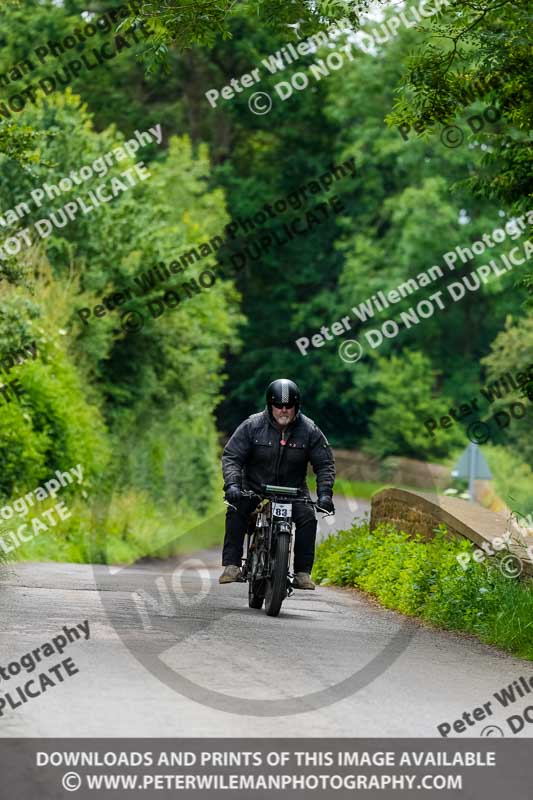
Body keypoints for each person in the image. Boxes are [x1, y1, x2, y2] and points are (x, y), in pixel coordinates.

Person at [219, 378, 335, 589]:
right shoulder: (252, 425)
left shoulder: (309, 431)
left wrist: (325, 494)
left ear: (296, 406)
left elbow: (325, 464)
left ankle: (302, 572)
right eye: (278, 405)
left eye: (288, 405)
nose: (283, 410)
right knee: (235, 510)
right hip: (253, 488)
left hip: (293, 491)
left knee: (308, 517)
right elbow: (232, 457)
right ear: (270, 405)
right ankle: (232, 565)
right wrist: (233, 485)